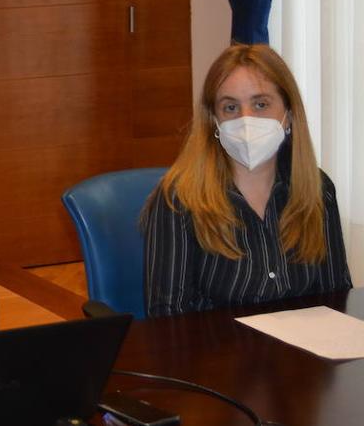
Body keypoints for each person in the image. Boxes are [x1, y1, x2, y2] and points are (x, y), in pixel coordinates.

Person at [142, 44, 352, 318]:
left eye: (261, 104)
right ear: (214, 121)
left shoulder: (318, 190)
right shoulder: (179, 199)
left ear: (288, 115)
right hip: (218, 357)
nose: (246, 119)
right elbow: (168, 320)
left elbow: (336, 298)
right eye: (230, 107)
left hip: (302, 358)